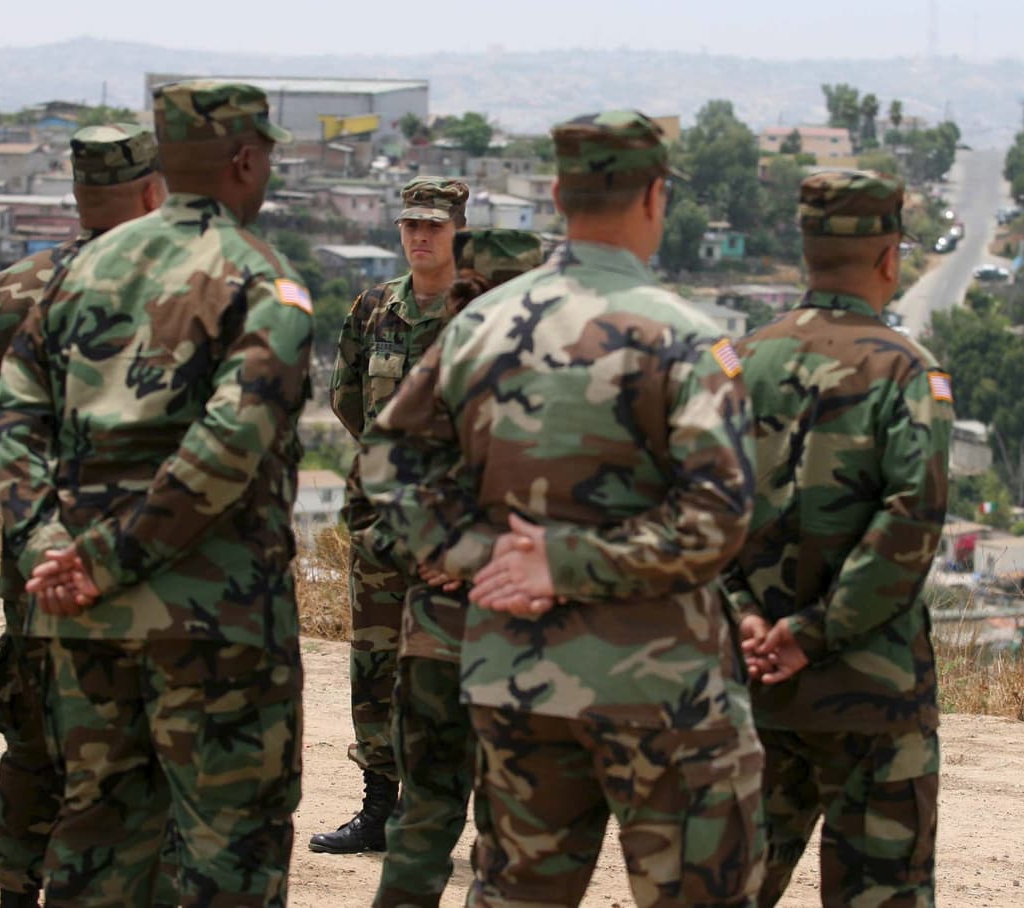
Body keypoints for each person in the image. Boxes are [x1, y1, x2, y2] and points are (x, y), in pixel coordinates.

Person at [360, 110, 765, 907]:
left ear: (555, 194)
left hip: (514, 678)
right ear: (657, 198)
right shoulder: (686, 337)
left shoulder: (480, 327)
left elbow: (385, 464)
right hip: (660, 692)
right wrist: (567, 562)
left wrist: (481, 558)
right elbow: (718, 518)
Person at [0, 81, 312, 906]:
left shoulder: (78, 269)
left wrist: (48, 549)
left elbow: (8, 413)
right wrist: (108, 558)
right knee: (230, 850)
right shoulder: (262, 277)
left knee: (96, 841)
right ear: (245, 159)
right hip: (216, 624)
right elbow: (233, 441)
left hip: (83, 623)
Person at [0, 123, 165, 908]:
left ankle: (16, 889)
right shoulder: (188, 289)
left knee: (35, 731)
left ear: (76, 193)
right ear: (152, 191)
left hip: (37, 557)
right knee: (146, 742)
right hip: (150, 563)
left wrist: (22, 495)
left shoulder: (12, 287)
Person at [728, 170, 954, 907]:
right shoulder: (904, 372)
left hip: (751, 685)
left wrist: (749, 619)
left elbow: (691, 513)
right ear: (891, 258)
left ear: (807, 252)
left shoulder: (737, 364)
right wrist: (814, 632)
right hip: (872, 702)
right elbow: (911, 522)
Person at [369, 228, 543, 908]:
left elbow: (382, 466)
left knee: (425, 808)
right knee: (509, 823)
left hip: (437, 629)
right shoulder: (567, 368)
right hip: (521, 632)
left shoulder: (441, 366)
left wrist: (440, 551)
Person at [313, 175, 470, 855]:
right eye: (411, 225)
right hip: (382, 522)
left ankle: (454, 820)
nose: (422, 237)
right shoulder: (375, 308)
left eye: (434, 225)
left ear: (459, 229)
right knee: (375, 665)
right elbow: (347, 396)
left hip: (458, 529)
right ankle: (379, 808)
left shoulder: (485, 313)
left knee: (457, 674)